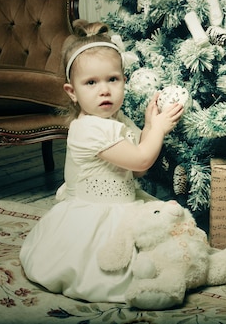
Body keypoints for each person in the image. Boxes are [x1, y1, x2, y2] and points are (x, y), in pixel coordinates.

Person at [19, 20, 184, 303]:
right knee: (110, 269)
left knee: (169, 240)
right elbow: (143, 157)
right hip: (96, 213)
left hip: (126, 201)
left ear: (123, 81)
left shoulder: (116, 120)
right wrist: (158, 129)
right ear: (72, 92)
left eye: (112, 79)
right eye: (91, 83)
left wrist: (146, 125)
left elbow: (140, 168)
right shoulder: (89, 129)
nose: (104, 90)